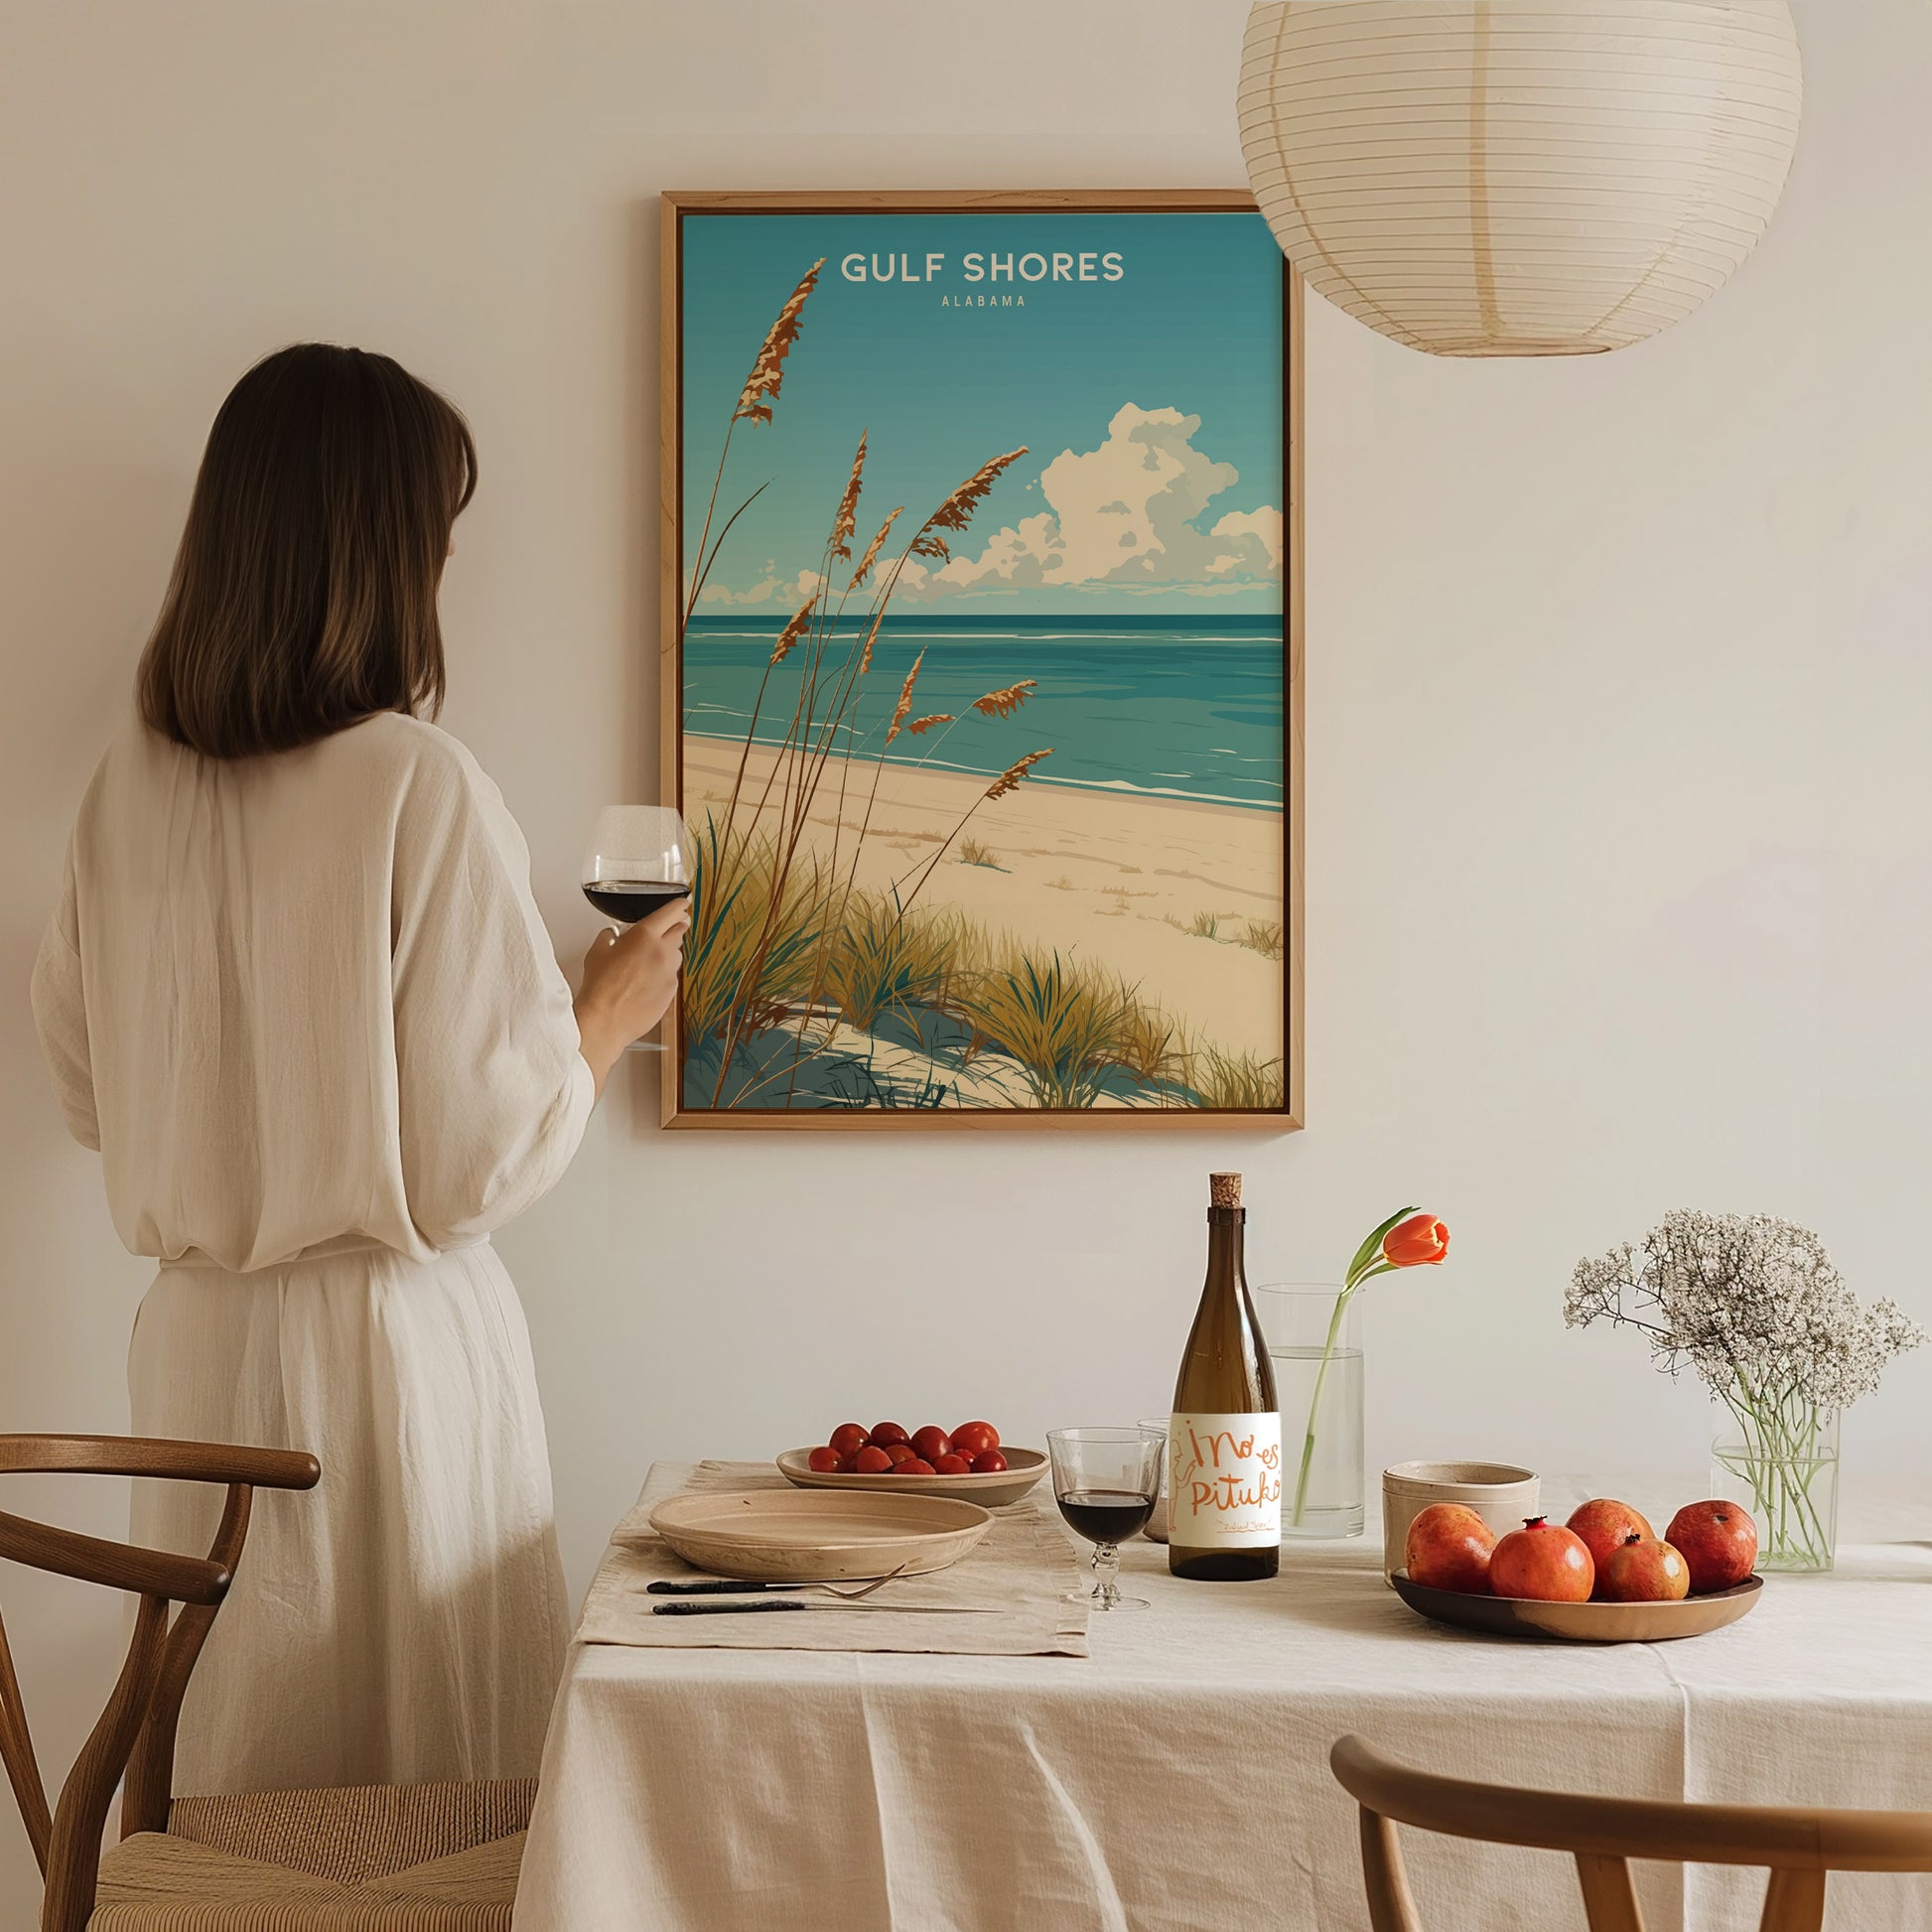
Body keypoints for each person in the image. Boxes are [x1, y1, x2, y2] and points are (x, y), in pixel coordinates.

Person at [29, 343, 687, 1793]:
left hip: (195, 1352)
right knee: (422, 1797)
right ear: (384, 551)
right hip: (389, 1362)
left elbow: (86, 1091)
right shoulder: (415, 780)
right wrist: (601, 1013)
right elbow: (471, 1165)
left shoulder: (122, 790)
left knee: (239, 1778)